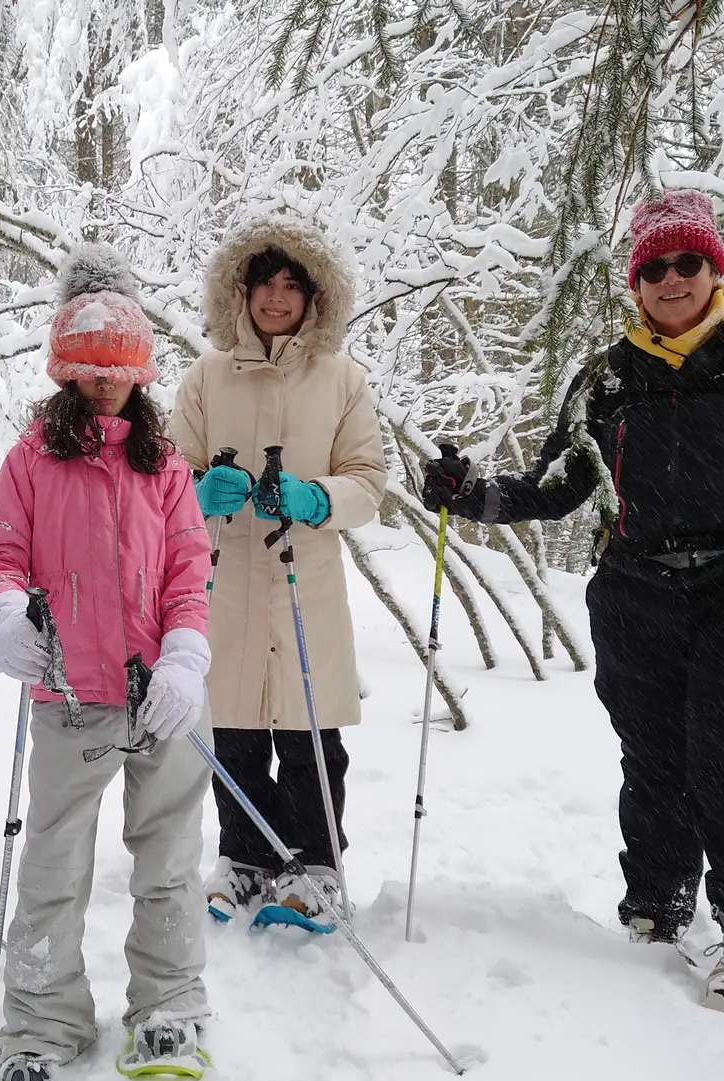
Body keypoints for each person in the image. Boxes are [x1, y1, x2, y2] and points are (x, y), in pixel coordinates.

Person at [419, 189, 724, 1009]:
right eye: (654, 268)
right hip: (635, 590)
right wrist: (471, 494)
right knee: (652, 756)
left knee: (718, 752)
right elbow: (557, 485)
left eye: (688, 262)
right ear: (636, 282)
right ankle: (657, 909)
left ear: (713, 269)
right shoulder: (607, 380)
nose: (671, 280)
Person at [0, 244, 214, 1081]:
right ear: (64, 370)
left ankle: (169, 1005)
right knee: (53, 865)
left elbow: (189, 571)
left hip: (163, 699)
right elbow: (0, 553)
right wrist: (7, 615)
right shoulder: (31, 460)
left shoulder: (165, 464)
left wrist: (185, 657)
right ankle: (44, 1021)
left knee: (169, 858)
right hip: (69, 698)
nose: (105, 384)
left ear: (140, 373)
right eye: (89, 368)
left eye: (119, 370)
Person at [170, 216, 387, 925]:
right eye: (264, 281)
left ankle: (316, 866)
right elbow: (165, 478)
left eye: (292, 284)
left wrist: (318, 497)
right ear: (241, 290)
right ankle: (244, 858)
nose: (276, 296)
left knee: (308, 734)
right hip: (228, 579)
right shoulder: (206, 377)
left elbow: (368, 481)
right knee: (233, 731)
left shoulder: (342, 379)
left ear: (314, 296)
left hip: (306, 582)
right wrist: (197, 491)